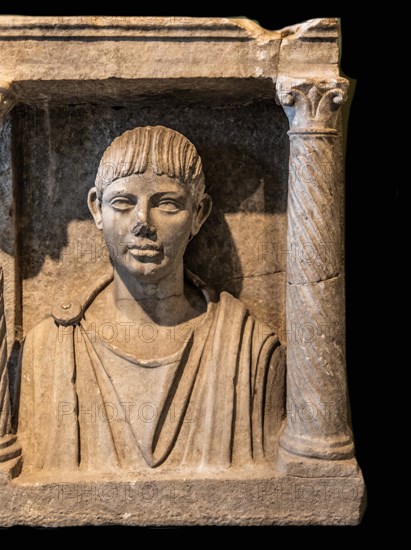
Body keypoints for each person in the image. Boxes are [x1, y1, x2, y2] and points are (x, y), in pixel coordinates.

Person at [18, 126, 285, 473]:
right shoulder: (49, 348)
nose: (143, 222)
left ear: (199, 214)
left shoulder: (249, 351)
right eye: (123, 203)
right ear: (97, 209)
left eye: (168, 204)